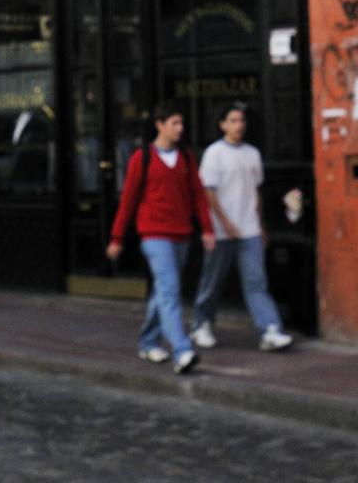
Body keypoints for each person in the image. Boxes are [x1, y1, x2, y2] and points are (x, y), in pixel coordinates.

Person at [107, 101, 214, 374]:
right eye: (174, 123)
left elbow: (198, 197)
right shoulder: (141, 159)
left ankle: (148, 341)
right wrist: (117, 237)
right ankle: (182, 349)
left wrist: (207, 229)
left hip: (181, 234)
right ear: (160, 125)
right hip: (154, 235)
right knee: (170, 290)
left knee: (162, 291)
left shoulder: (186, 157)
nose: (180, 129)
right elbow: (128, 201)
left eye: (181, 123)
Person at [191, 104, 294, 351]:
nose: (239, 125)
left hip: (250, 230)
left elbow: (256, 191)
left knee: (256, 282)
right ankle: (201, 325)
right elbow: (208, 193)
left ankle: (271, 329)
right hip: (221, 230)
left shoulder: (252, 154)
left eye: (241, 120)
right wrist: (225, 223)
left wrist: (261, 226)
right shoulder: (214, 153)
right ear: (223, 125)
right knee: (212, 281)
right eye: (233, 120)